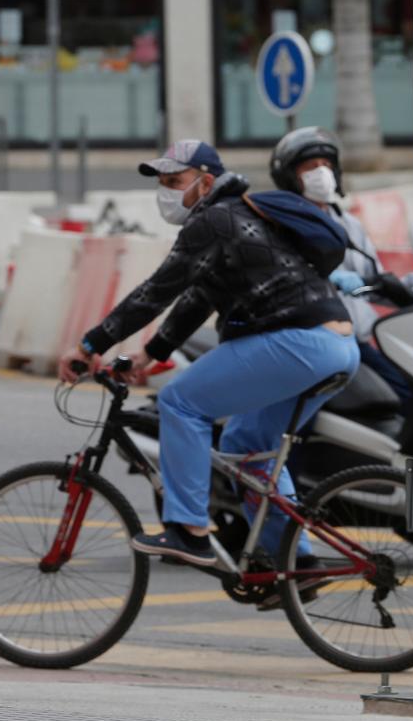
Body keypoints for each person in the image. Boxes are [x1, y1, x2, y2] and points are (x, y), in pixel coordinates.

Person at [57, 139, 360, 568]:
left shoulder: (215, 221)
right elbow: (197, 298)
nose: (165, 191)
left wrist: (90, 345)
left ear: (206, 183)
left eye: (174, 181)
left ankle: (189, 531)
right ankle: (294, 561)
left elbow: (155, 293)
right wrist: (150, 354)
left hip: (299, 342)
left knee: (180, 403)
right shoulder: (238, 217)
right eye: (161, 182)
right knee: (247, 443)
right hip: (337, 348)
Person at [269, 126, 413, 409]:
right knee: (302, 413)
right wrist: (326, 278)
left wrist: (397, 288)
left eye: (326, 165)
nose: (321, 173)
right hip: (313, 340)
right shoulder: (280, 224)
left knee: (404, 392)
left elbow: (370, 277)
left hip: (361, 337)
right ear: (290, 175)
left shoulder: (348, 223)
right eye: (311, 167)